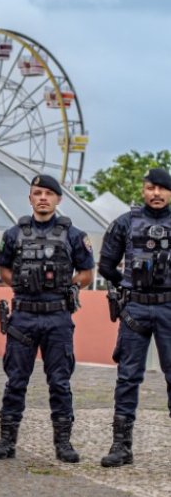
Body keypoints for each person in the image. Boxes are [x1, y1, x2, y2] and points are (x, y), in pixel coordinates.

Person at [0, 174, 94, 463]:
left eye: (49, 193)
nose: (43, 198)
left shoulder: (73, 234)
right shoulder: (14, 233)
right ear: (30, 198)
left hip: (57, 316)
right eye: (37, 193)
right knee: (16, 380)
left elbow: (87, 274)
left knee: (60, 382)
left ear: (58, 199)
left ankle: (63, 444)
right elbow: (3, 269)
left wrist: (68, 287)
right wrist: (22, 285)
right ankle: (6, 441)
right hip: (23, 316)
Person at [98, 168, 171, 467]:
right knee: (128, 377)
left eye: (162, 189)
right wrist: (127, 285)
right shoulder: (125, 223)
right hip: (135, 309)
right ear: (143, 190)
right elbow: (106, 265)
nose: (156, 194)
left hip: (169, 307)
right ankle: (121, 447)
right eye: (151, 187)